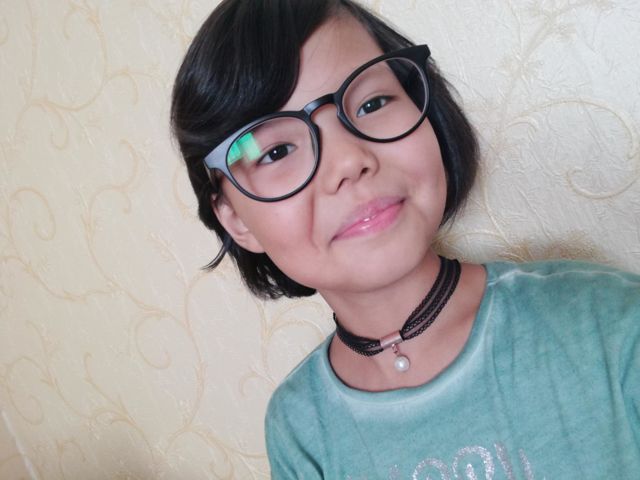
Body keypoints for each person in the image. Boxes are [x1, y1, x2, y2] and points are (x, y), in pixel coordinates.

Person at [171, 0, 640, 477]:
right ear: (236, 220)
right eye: (276, 151)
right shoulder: (299, 428)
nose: (348, 160)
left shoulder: (612, 324)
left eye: (372, 104)